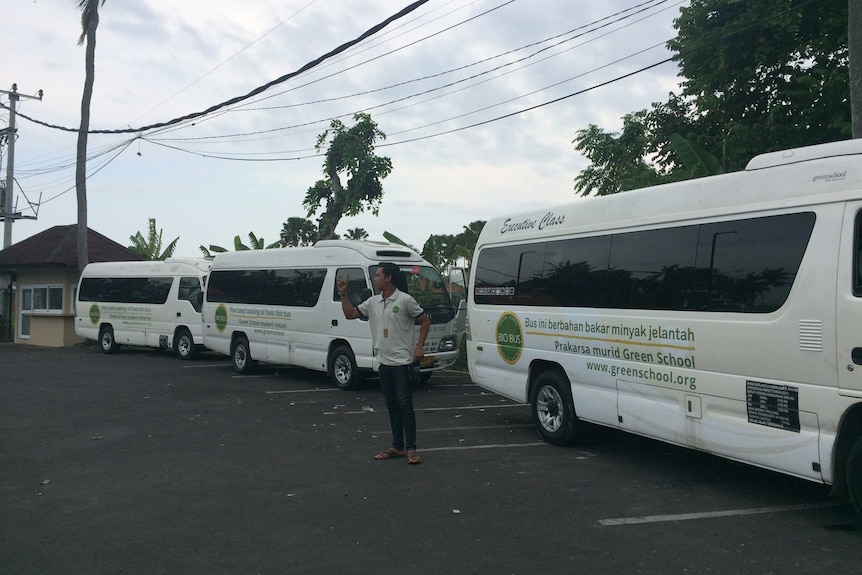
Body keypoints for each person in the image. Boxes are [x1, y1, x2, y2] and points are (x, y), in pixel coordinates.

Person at [337, 262, 430, 465]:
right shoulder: (373, 302)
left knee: (405, 404)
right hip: (384, 361)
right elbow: (350, 314)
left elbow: (424, 320)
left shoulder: (405, 300)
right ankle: (397, 446)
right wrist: (343, 294)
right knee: (391, 404)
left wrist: (419, 346)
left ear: (389, 278)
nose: (375, 278)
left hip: (402, 362)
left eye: (378, 275)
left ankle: (411, 448)